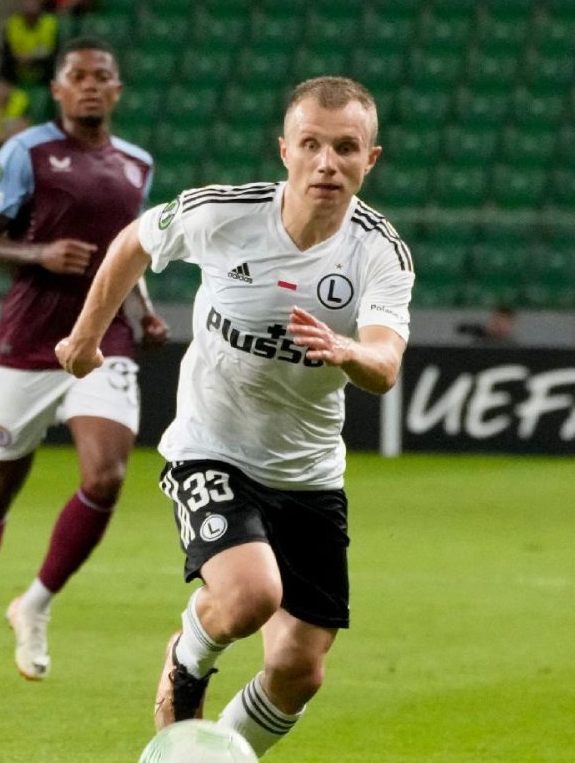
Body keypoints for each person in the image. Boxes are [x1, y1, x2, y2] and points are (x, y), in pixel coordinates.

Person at [55, 76, 414, 757]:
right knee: (249, 597)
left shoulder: (379, 252)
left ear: (370, 159)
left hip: (309, 474)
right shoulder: (222, 214)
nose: (326, 163)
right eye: (311, 144)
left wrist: (348, 351)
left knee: (299, 669)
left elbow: (386, 363)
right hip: (211, 449)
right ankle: (187, 659)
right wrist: (84, 337)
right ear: (285, 150)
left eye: (345, 148)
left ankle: (210, 755)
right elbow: (133, 243)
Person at [0, 38, 167, 692]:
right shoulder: (26, 152)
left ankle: (35, 603)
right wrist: (38, 254)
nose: (91, 84)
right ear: (59, 90)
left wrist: (145, 310)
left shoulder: (138, 165)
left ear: (117, 90)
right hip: (28, 344)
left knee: (106, 477)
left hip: (101, 339)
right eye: (78, 75)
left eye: (103, 75)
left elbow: (127, 253)